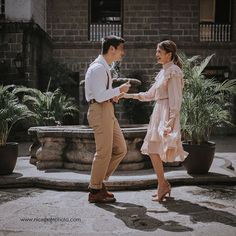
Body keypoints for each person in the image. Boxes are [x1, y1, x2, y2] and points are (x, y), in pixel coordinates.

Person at [123, 40, 188, 202]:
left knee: (154, 149)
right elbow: (149, 95)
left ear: (169, 54)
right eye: (157, 51)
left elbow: (176, 99)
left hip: (166, 113)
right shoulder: (163, 72)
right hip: (158, 112)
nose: (156, 55)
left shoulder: (173, 71)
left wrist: (171, 121)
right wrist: (126, 95)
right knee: (154, 150)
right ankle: (162, 184)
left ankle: (162, 185)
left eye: (159, 52)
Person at [85, 35, 131, 203]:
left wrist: (114, 97)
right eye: (121, 49)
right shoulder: (98, 68)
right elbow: (98, 95)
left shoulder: (105, 67)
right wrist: (118, 90)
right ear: (112, 49)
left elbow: (104, 95)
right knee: (103, 152)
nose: (122, 53)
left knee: (121, 148)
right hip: (100, 110)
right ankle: (95, 190)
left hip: (107, 109)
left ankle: (98, 182)